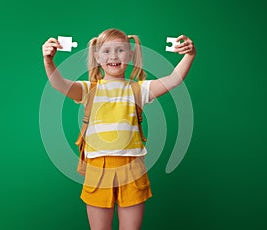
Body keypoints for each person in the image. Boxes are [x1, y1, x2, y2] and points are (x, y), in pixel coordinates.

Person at [42, 28, 196, 230]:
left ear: (130, 55)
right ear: (97, 57)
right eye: (106, 51)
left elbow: (173, 79)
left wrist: (189, 55)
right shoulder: (89, 90)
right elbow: (58, 84)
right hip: (98, 169)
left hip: (132, 168)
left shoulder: (139, 90)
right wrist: (49, 61)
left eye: (120, 50)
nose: (113, 56)